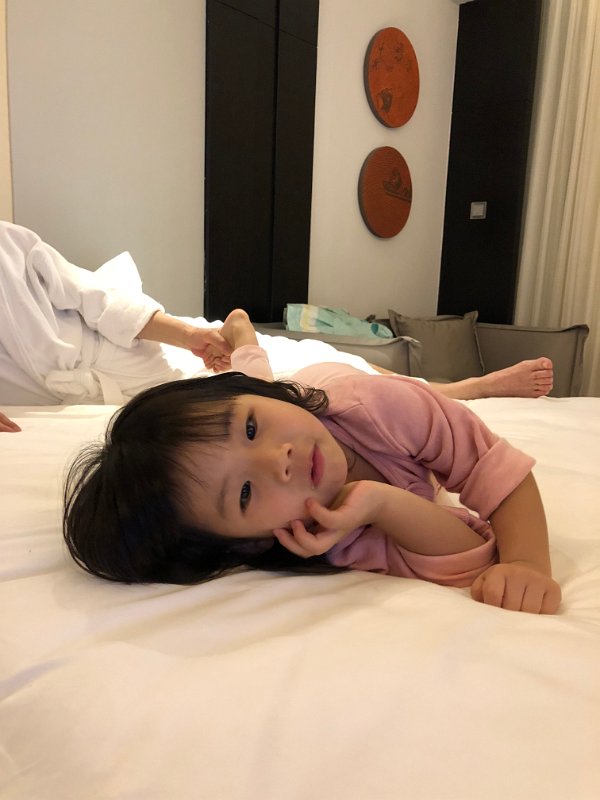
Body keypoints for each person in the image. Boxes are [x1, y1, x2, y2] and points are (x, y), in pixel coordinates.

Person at [63, 309, 562, 614]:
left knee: (272, 383)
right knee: (256, 398)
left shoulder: (376, 406)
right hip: (273, 404)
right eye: (244, 493)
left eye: (251, 431)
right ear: (251, 542)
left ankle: (242, 335)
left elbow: (491, 466)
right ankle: (248, 372)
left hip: (326, 385)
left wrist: (528, 562)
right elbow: (467, 557)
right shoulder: (320, 536)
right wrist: (379, 504)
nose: (277, 461)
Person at [0, 219, 553, 430]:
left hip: (159, 351)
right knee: (307, 403)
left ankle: (466, 389)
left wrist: (193, 337)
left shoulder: (7, 247)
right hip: (124, 407)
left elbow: (95, 298)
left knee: (324, 371)